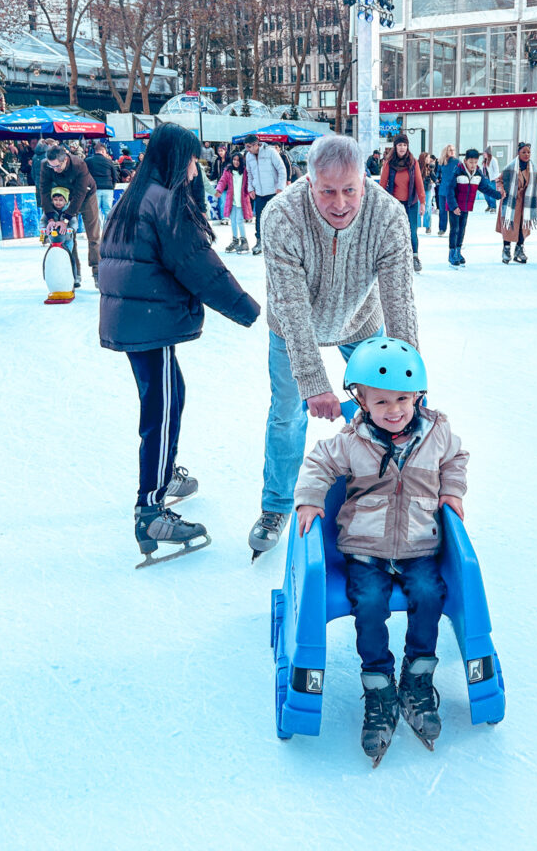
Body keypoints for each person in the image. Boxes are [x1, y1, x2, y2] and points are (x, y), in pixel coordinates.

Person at [294, 338, 467, 766]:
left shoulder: (437, 433)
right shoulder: (353, 440)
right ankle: (378, 684)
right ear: (362, 402)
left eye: (403, 400)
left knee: (429, 595)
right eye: (382, 401)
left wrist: (453, 492)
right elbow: (318, 463)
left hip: (420, 546)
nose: (394, 410)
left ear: (418, 397)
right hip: (365, 551)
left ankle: (417, 675)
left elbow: (456, 459)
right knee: (369, 604)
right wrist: (311, 498)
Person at [249, 134, 418, 559]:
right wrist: (313, 382)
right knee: (287, 414)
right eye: (327, 191)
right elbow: (290, 305)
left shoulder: (388, 215)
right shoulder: (281, 216)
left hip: (360, 320)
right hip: (290, 327)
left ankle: (385, 493)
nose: (340, 203)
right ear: (309, 184)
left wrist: (409, 376)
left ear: (364, 182)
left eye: (349, 190)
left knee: (388, 409)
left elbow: (399, 299)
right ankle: (277, 505)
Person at [98, 122, 261, 561]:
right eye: (192, 158)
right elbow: (199, 267)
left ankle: (163, 473)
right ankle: (150, 508)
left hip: (133, 316)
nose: (196, 168)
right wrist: (249, 310)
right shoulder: (164, 202)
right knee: (162, 407)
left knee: (168, 395)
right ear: (176, 158)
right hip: (146, 319)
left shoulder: (136, 195)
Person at [39, 144, 101, 287]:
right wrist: (50, 217)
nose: (54, 170)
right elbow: (44, 190)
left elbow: (80, 194)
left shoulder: (79, 165)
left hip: (86, 196)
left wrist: (66, 219)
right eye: (51, 166)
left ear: (65, 160)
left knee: (94, 236)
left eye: (57, 166)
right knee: (67, 235)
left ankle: (98, 272)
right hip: (66, 197)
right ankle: (74, 273)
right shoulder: (45, 166)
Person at [445, 148, 503, 267]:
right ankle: (452, 253)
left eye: (475, 162)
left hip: (466, 207)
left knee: (462, 230)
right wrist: (454, 206)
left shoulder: (477, 173)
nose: (473, 165)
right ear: (465, 161)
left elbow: (485, 188)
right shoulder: (458, 171)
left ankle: (458, 252)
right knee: (454, 229)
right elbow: (449, 190)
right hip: (454, 206)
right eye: (471, 162)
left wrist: (498, 195)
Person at [379, 134, 426, 273]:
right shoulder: (389, 163)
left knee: (412, 231)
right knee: (396, 231)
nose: (402, 148)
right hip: (395, 204)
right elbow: (382, 184)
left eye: (404, 145)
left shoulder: (413, 162)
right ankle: (397, 258)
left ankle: (414, 257)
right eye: (400, 145)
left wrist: (422, 202)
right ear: (395, 146)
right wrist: (381, 202)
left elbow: (419, 182)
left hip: (411, 203)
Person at [496, 142, 537, 264]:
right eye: (524, 152)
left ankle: (520, 249)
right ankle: (506, 249)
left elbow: (536, 188)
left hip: (526, 203)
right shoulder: (510, 167)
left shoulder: (533, 169)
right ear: (518, 153)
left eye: (528, 152)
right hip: (511, 202)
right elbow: (499, 181)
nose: (527, 154)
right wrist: (501, 191)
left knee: (523, 227)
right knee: (509, 226)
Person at [243, 132, 286, 255]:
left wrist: (280, 187)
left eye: (249, 147)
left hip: (273, 192)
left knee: (275, 218)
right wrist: (251, 188)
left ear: (256, 144)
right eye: (246, 147)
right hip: (259, 193)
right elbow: (250, 174)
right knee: (259, 219)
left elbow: (281, 169)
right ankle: (259, 241)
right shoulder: (249, 156)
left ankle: (278, 244)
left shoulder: (271, 152)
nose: (247, 149)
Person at [214, 152, 252, 252]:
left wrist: (252, 190)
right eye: (234, 160)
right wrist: (218, 190)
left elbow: (250, 182)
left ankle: (244, 242)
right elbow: (222, 181)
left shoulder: (245, 171)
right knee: (233, 221)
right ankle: (235, 241)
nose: (235, 162)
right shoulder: (228, 170)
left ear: (241, 161)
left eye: (238, 160)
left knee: (239, 220)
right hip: (232, 200)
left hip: (242, 199)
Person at [86, 142, 119, 225]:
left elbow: (84, 175)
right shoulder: (109, 161)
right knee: (108, 210)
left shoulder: (88, 161)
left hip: (94, 189)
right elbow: (115, 175)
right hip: (108, 188)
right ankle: (108, 230)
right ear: (103, 151)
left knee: (95, 211)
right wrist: (112, 186)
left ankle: (98, 232)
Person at [435, 144, 457, 237]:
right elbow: (437, 175)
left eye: (453, 150)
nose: (452, 151)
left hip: (453, 190)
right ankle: (442, 229)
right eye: (450, 150)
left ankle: (455, 230)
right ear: (446, 152)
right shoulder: (441, 163)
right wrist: (437, 180)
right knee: (442, 211)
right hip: (443, 190)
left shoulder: (457, 162)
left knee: (454, 211)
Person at [418, 152, 437, 234]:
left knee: (428, 207)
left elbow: (433, 176)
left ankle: (428, 226)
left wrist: (436, 180)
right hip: (418, 189)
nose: (429, 160)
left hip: (428, 189)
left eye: (429, 158)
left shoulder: (430, 167)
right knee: (418, 206)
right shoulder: (417, 166)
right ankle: (417, 224)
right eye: (427, 158)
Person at [481, 146, 499, 213]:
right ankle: (489, 205)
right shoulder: (484, 161)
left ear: (488, 153)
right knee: (486, 194)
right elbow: (483, 170)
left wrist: (496, 178)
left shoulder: (493, 160)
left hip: (492, 180)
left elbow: (496, 170)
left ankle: (493, 207)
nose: (484, 154)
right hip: (485, 180)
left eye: (485, 153)